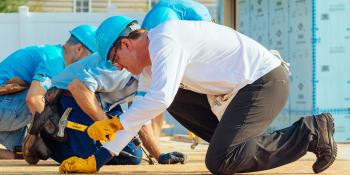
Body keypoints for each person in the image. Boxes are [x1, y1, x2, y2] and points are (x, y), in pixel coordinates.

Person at [60, 16, 337, 174]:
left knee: (220, 160)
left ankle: (310, 133)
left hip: (265, 82)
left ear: (125, 44)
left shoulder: (165, 40)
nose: (118, 67)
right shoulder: (149, 68)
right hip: (236, 93)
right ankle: (230, 143)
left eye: (115, 60)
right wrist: (97, 160)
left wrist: (115, 123)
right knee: (168, 99)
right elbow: (143, 113)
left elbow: (161, 98)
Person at [23, 51, 186, 166]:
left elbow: (140, 117)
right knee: (87, 155)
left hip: (100, 104)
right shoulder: (117, 65)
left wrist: (159, 155)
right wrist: (107, 126)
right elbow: (77, 87)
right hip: (67, 100)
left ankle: (75, 144)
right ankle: (48, 140)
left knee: (133, 157)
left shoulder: (150, 77)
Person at [0, 24, 97, 159]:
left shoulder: (56, 58)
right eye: (92, 58)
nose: (92, 65)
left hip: (8, 110)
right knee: (49, 100)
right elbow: (33, 99)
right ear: (79, 48)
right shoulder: (55, 60)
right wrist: (55, 132)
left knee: (29, 152)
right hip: (5, 107)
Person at [141, 0, 213, 141]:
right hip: (181, 26)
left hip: (199, 29)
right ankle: (154, 139)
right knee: (161, 89)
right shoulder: (159, 20)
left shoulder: (169, 23)